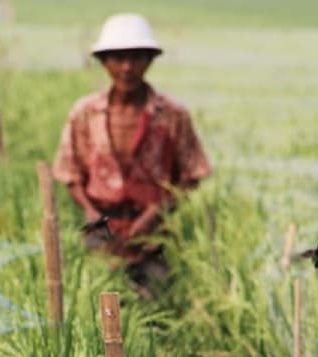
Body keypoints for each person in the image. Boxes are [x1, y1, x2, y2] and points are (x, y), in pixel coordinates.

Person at [52, 13, 211, 298]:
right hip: (101, 232)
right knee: (95, 307)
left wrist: (155, 213)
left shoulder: (172, 115)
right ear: (103, 62)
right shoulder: (84, 113)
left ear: (149, 60)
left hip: (153, 237)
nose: (127, 67)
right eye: (117, 58)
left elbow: (191, 175)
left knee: (155, 312)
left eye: (136, 57)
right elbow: (70, 174)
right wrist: (92, 214)